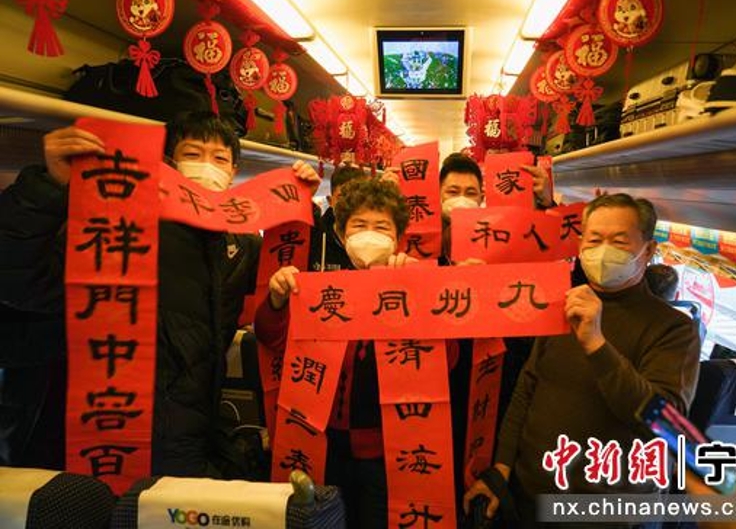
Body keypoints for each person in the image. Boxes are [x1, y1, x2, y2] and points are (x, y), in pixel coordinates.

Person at [0, 111, 320, 478]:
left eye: (219, 159)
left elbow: (289, 288)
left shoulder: (240, 247)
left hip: (190, 436)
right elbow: (19, 277)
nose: (207, 167)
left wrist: (300, 203)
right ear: (169, 163)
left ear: (233, 172)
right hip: (109, 431)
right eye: (193, 154)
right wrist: (48, 186)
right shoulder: (122, 231)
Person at [464, 193, 701, 526]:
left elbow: (665, 425)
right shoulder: (561, 304)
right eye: (594, 240)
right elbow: (527, 388)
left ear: (648, 251)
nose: (603, 251)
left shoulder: (674, 329)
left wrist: (596, 344)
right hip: (528, 499)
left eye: (619, 242)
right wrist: (501, 468)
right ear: (580, 245)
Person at [255, 177, 458, 528]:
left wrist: (420, 293)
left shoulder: (414, 288)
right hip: (323, 447)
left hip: (387, 454)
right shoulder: (324, 292)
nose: (369, 235)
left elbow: (447, 361)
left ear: (398, 237)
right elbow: (272, 338)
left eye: (381, 227)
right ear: (341, 233)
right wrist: (276, 300)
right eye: (359, 225)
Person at [309, 164, 368, 271]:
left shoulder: (375, 238)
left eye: (358, 197)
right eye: (342, 197)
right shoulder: (315, 234)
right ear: (330, 201)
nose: (350, 204)